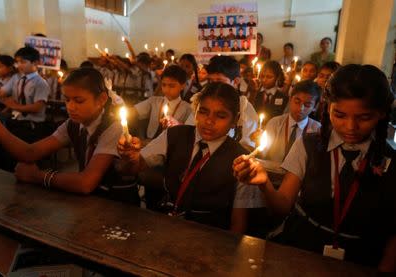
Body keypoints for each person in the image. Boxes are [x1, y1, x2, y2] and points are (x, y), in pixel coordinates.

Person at [233, 64, 396, 272]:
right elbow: (282, 206)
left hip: (360, 258)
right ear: (327, 107)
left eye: (364, 117)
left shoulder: (391, 162)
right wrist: (264, 183)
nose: (350, 126)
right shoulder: (309, 145)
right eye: (340, 115)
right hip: (302, 248)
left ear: (381, 113)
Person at [0, 67, 140, 204]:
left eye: (79, 100)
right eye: (67, 99)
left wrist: (38, 176)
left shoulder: (113, 128)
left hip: (119, 205)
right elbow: (30, 152)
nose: (70, 107)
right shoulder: (73, 125)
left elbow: (85, 183)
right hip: (94, 201)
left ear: (101, 100)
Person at [118, 82, 265, 233]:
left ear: (235, 120)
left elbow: (238, 223)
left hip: (210, 234)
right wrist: (130, 158)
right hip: (165, 224)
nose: (209, 121)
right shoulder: (174, 135)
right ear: (195, 111)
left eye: (221, 116)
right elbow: (133, 168)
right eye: (203, 112)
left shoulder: (241, 159)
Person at [255, 80, 321, 163]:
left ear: (315, 106)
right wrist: (258, 144)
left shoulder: (317, 129)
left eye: (307, 105)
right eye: (297, 101)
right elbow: (263, 153)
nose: (301, 108)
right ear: (290, 99)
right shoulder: (275, 123)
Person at [2, 46, 51, 143]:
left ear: (35, 63)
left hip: (32, 125)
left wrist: (14, 106)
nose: (19, 65)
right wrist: (8, 105)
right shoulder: (20, 80)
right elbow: (17, 98)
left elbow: (37, 107)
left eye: (23, 62)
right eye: (17, 62)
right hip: (17, 120)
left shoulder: (40, 83)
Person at [133, 65, 192, 140]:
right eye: (164, 85)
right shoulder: (154, 101)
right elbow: (134, 111)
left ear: (182, 86)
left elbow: (187, 133)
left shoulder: (188, 108)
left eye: (171, 86)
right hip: (149, 142)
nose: (166, 90)